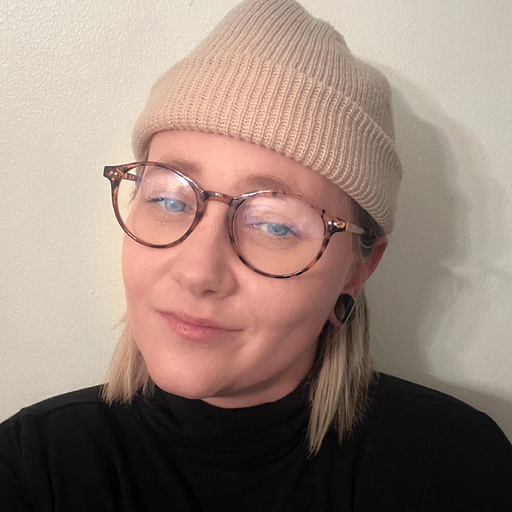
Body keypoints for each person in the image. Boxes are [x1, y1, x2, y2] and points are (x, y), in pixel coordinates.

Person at [1, 0, 511, 510]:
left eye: (274, 224)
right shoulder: (31, 466)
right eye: (169, 200)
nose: (197, 271)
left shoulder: (455, 468)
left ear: (359, 269)